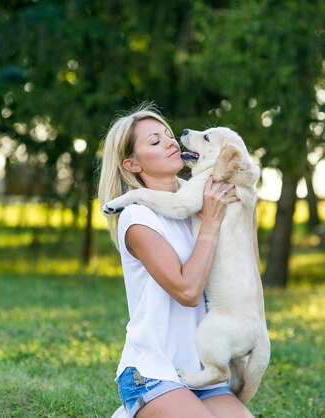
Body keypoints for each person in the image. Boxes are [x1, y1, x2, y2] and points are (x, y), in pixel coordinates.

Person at [98, 102, 255, 418]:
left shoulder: (201, 197)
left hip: (202, 372)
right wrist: (210, 223)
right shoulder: (137, 218)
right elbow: (187, 292)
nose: (171, 142)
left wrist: (244, 206)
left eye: (168, 135)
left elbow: (244, 262)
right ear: (131, 165)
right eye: (155, 141)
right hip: (153, 374)